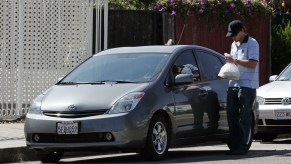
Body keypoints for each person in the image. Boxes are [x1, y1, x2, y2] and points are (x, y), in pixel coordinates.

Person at [225, 20, 259, 155]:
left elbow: (253, 64)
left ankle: (243, 145)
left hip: (247, 84)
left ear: (242, 31)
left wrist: (235, 61)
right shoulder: (234, 44)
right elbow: (234, 62)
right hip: (233, 83)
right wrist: (229, 60)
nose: (233, 37)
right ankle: (234, 145)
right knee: (231, 115)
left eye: (234, 34)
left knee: (244, 117)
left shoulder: (253, 43)